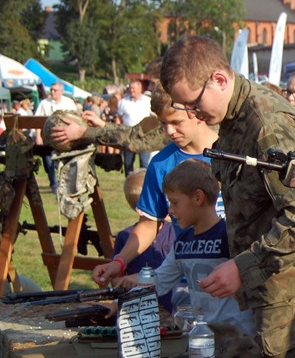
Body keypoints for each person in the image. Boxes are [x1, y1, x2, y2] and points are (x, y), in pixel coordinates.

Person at [160, 35, 295, 358]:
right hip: (269, 281)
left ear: (219, 79)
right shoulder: (234, 117)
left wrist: (244, 267)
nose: (192, 114)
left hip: (293, 284)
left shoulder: (267, 124)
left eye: (193, 104)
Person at [92, 82, 220, 290]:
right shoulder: (161, 163)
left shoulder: (231, 154)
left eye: (176, 122)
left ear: (197, 113)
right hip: (188, 285)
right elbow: (150, 223)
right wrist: (120, 261)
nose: (169, 130)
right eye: (163, 123)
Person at [124, 159, 253, 331]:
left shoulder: (231, 235)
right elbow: (160, 280)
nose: (170, 210)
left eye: (175, 202)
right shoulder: (183, 242)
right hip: (202, 336)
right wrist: (132, 284)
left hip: (237, 339)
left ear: (198, 198)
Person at [113, 169, 174, 276]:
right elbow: (117, 278)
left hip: (173, 291)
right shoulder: (124, 237)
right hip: (138, 292)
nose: (167, 206)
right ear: (141, 209)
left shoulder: (176, 232)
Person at [34, 82, 78, 190]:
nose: (52, 92)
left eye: (55, 90)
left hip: (65, 136)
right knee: (48, 160)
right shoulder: (44, 103)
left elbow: (76, 119)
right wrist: (38, 136)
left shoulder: (69, 103)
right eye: (51, 90)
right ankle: (54, 184)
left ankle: (65, 183)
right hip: (48, 137)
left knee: (66, 160)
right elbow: (36, 121)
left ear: (61, 92)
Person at [118, 79, 155, 175]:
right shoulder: (123, 102)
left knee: (144, 162)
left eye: (134, 88)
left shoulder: (148, 101)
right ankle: (130, 183)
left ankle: (142, 183)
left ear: (140, 89)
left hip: (144, 135)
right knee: (128, 162)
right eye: (130, 88)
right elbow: (119, 118)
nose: (131, 90)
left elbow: (154, 117)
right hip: (128, 135)